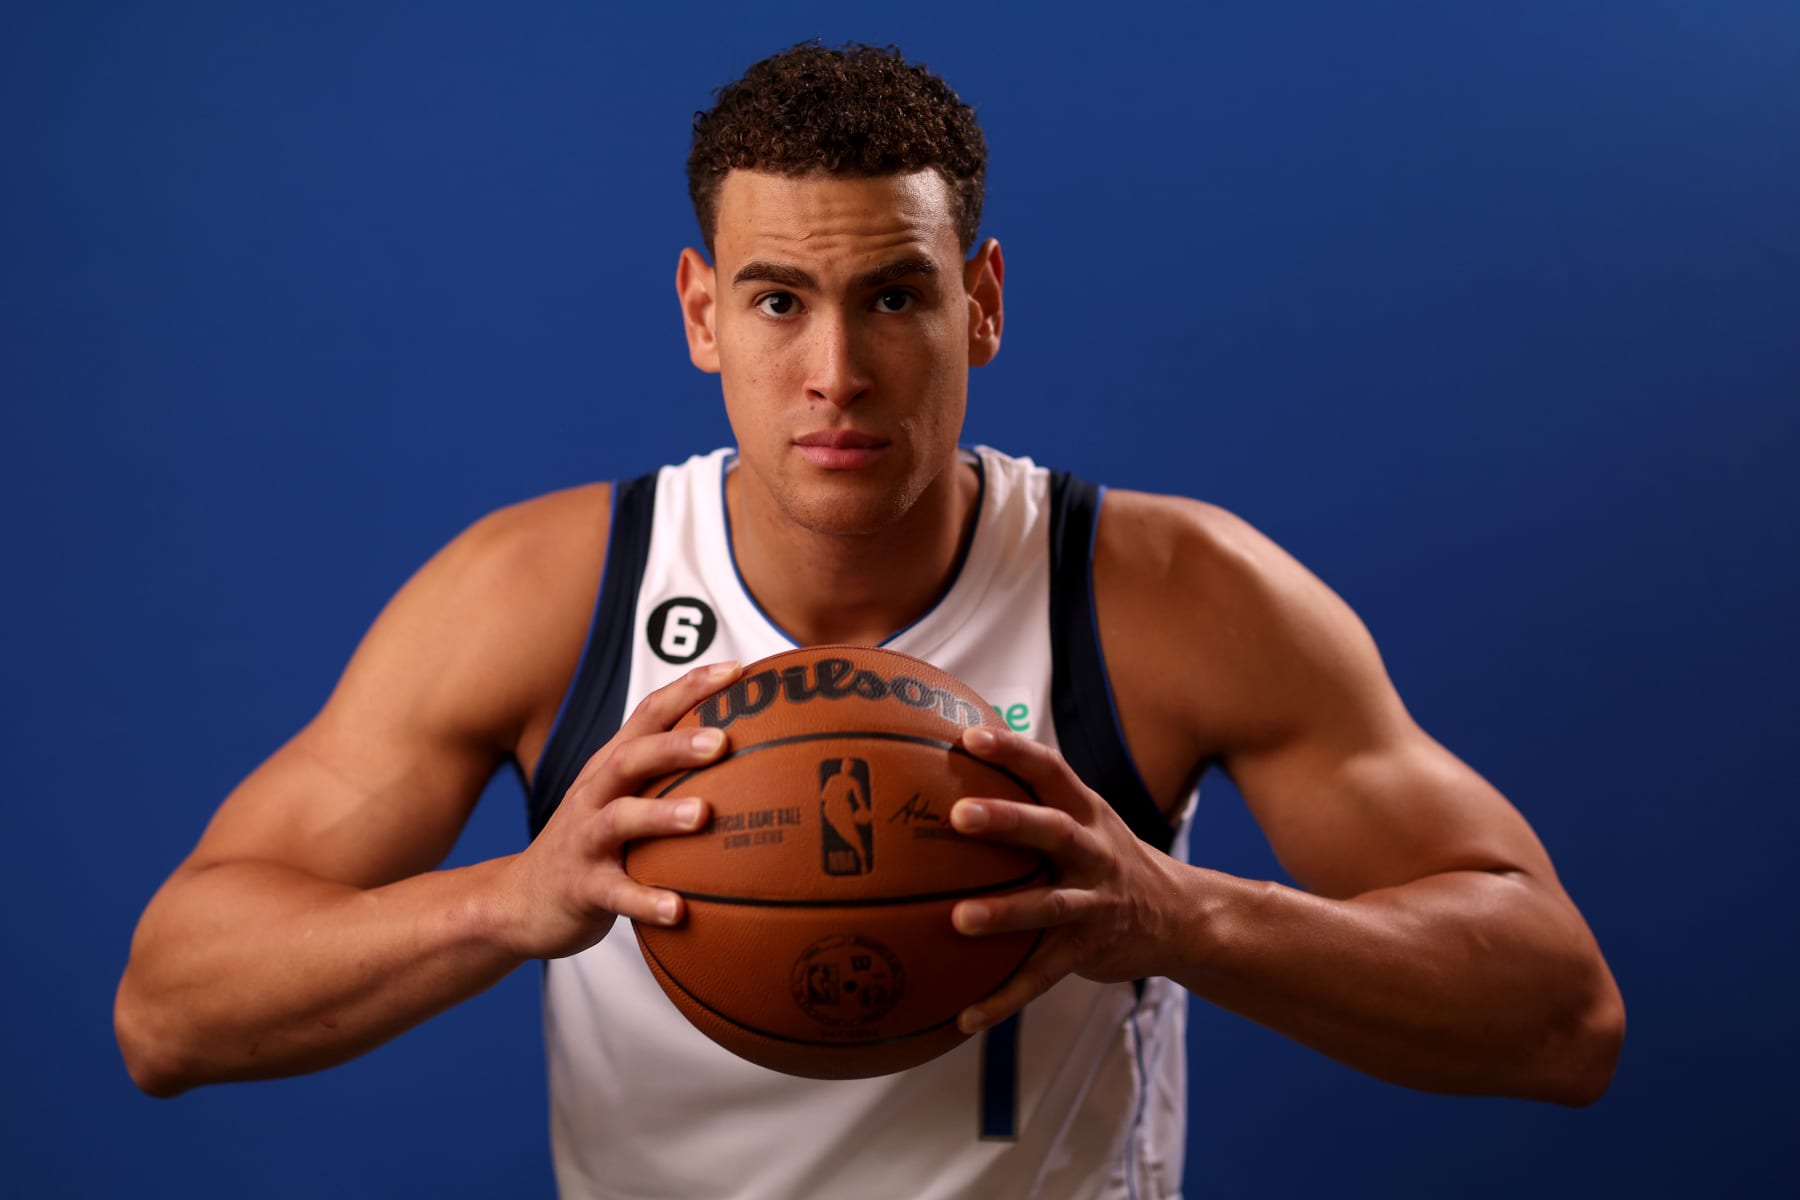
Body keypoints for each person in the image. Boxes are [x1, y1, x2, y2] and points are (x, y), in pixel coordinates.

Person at [115, 42, 1623, 1200]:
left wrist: (1180, 918)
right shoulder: (548, 596)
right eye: (778, 302)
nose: (835, 369)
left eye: (893, 298)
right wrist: (512, 900)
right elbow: (169, 1010)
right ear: (702, 313)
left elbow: (1560, 1017)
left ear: (981, 303)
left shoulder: (1164, 595)